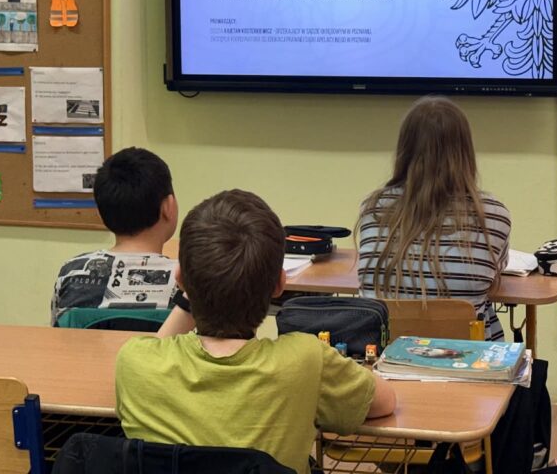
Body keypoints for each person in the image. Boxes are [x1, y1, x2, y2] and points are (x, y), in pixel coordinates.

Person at [116, 189, 396, 474]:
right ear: (279, 285)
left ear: (180, 279)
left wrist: (189, 292)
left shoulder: (136, 363)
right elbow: (385, 401)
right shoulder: (306, 360)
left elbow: (157, 345)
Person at [356, 95, 511, 340]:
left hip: (385, 356)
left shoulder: (372, 208)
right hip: (469, 359)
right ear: (466, 151)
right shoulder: (494, 214)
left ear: (404, 149)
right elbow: (494, 277)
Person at [50, 147, 179, 325]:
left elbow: (57, 334)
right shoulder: (189, 282)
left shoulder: (71, 273)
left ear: (101, 212)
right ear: (168, 207)